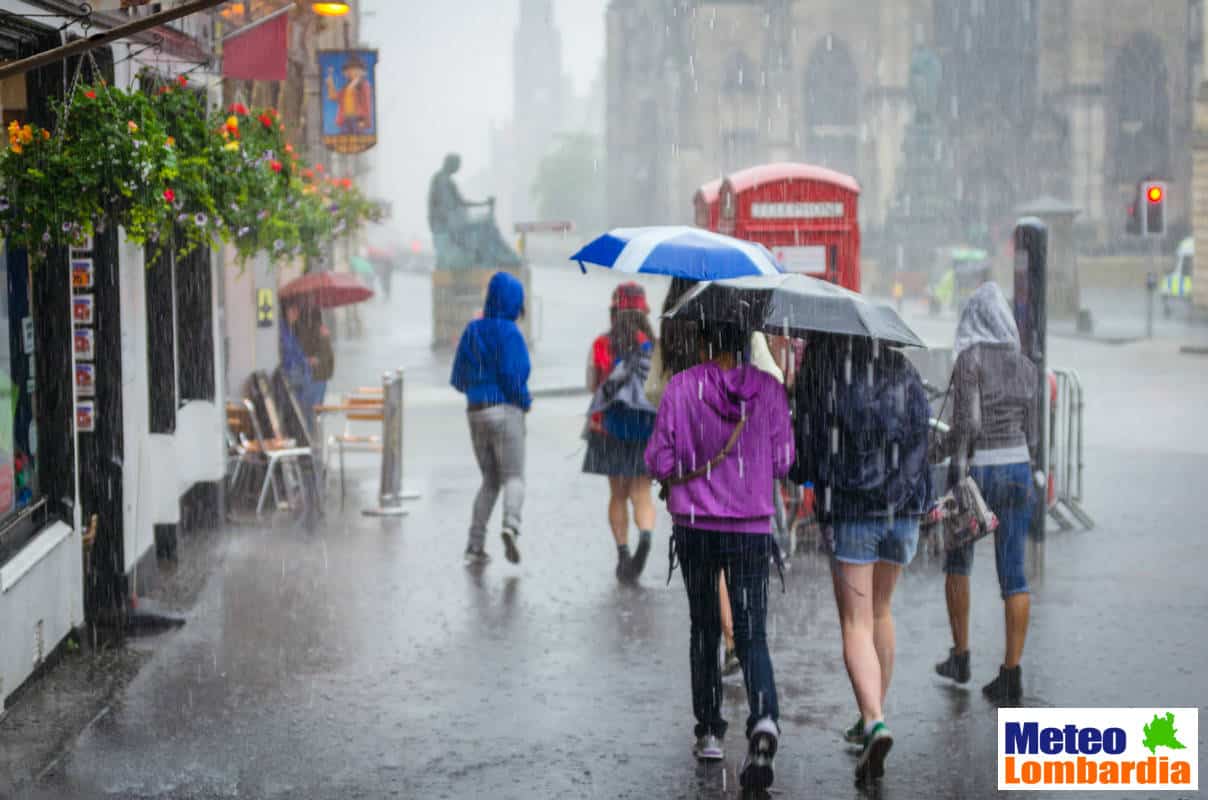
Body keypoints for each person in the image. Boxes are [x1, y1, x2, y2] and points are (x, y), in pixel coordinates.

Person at [646, 320, 793, 792]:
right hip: (751, 527)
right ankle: (764, 716)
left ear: (707, 341)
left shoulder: (681, 388)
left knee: (705, 625)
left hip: (695, 527)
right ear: (746, 342)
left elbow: (659, 461)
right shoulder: (769, 391)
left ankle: (709, 730)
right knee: (751, 634)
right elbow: (784, 461)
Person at [791, 334, 931, 785]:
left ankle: (873, 719)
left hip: (853, 509)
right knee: (881, 611)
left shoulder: (824, 371)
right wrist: (906, 494)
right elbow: (920, 436)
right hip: (902, 509)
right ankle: (873, 716)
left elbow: (807, 446)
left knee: (855, 622)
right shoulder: (902, 370)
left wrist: (802, 472)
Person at [645, 278, 786, 674]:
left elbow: (653, 390)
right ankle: (737, 639)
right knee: (736, 547)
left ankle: (724, 644)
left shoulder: (672, 323)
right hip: (740, 459)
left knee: (706, 555)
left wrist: (685, 401)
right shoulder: (738, 320)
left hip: (691, 458)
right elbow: (770, 376)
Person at [935, 282, 1039, 706]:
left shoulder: (969, 360)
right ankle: (1011, 675)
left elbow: (967, 428)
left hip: (979, 472)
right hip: (1018, 470)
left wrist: (938, 452)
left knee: (958, 562)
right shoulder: (1026, 365)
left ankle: (960, 657)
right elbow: (1032, 433)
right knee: (1013, 574)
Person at [450, 271, 532, 566]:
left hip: (475, 412)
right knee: (513, 477)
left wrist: (476, 389)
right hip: (505, 411)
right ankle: (511, 526)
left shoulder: (472, 330)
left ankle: (475, 544)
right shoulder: (510, 333)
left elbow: (457, 379)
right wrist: (525, 402)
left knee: (489, 480)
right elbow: (514, 377)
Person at [584, 283, 658, 583]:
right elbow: (659, 390)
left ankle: (624, 553)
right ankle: (647, 536)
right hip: (644, 427)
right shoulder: (652, 345)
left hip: (608, 427)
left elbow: (593, 385)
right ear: (643, 312)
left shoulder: (602, 344)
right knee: (642, 493)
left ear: (615, 310)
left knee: (617, 493)